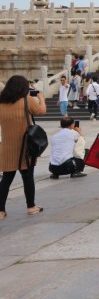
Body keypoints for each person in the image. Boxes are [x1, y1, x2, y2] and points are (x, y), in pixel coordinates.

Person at [0, 76, 47, 218]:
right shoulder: (27, 100)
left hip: (7, 148)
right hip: (25, 148)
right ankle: (31, 206)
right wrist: (41, 97)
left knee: (6, 180)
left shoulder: (1, 103)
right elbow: (42, 111)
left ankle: (1, 210)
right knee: (27, 177)